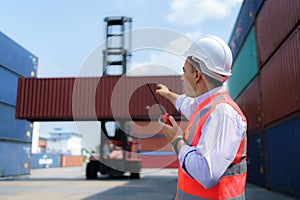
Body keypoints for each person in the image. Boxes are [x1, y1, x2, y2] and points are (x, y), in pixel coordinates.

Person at [156, 35, 247, 200]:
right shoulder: (205, 107)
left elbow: (207, 173)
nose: (182, 77)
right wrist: (168, 94)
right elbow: (186, 104)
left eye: (184, 71)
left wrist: (177, 141)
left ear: (197, 75)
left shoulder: (222, 114)